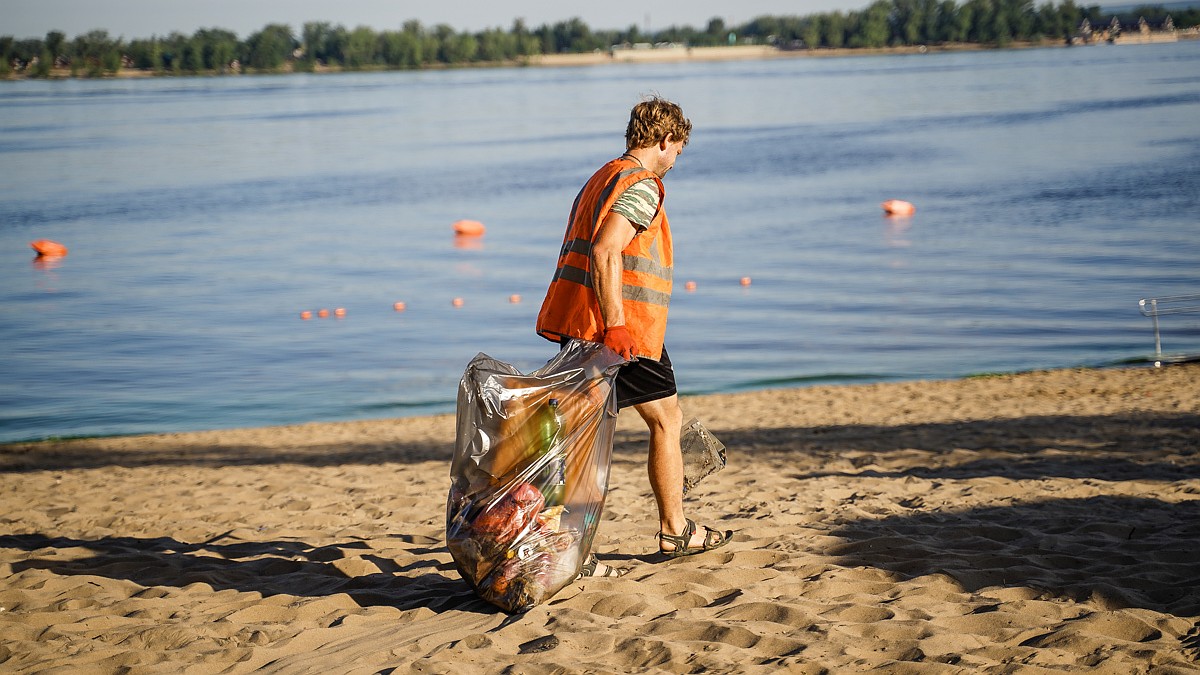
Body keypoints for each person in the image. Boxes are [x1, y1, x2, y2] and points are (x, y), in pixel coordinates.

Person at [536, 96, 732, 576]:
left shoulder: (602, 176)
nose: (674, 163)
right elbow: (606, 251)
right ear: (665, 140)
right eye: (678, 152)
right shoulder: (643, 185)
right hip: (622, 333)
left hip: (587, 324)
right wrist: (618, 325)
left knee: (620, 424)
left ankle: (600, 540)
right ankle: (669, 531)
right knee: (653, 424)